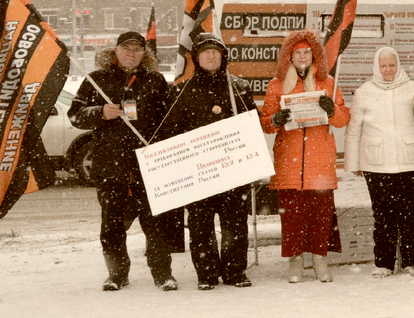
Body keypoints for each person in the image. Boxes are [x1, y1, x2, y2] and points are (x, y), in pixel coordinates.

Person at [68, 31, 176, 291]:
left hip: (148, 166)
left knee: (156, 226)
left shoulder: (156, 80)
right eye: (126, 48)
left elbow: (170, 119)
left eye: (137, 49)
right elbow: (75, 115)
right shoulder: (96, 80)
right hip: (110, 166)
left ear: (144, 54)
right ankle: (117, 275)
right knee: (112, 225)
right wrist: (100, 112)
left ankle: (163, 275)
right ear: (115, 51)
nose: (131, 53)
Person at [162, 33, 258, 290]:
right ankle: (206, 274)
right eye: (206, 52)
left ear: (223, 56)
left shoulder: (239, 86)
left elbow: (252, 127)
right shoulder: (182, 91)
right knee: (200, 226)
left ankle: (235, 271)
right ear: (196, 58)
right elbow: (171, 132)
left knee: (235, 225)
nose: (211, 56)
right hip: (198, 174)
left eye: (216, 52)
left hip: (233, 171)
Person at [261, 30, 350, 283]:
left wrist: (332, 110)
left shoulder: (328, 83)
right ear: (289, 57)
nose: (302, 56)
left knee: (321, 216)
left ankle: (320, 260)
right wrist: (275, 120)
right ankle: (295, 261)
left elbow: (344, 119)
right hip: (288, 163)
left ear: (315, 56)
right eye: (297, 52)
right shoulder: (276, 85)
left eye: (307, 52)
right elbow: (265, 122)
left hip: (319, 162)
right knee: (291, 217)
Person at [346, 47, 414, 278]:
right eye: (383, 66)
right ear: (377, 67)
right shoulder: (364, 92)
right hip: (377, 165)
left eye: (391, 65)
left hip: (410, 163)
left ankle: (411, 262)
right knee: (383, 217)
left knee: (410, 217)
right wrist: (353, 162)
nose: (388, 70)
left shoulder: (411, 88)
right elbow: (354, 129)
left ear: (398, 65)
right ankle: (383, 263)